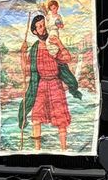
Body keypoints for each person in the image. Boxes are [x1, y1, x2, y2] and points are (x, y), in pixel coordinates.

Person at [18, 13, 80, 151]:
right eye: (39, 27)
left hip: (55, 84)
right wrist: (22, 53)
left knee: (61, 119)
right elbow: (26, 69)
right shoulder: (34, 49)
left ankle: (64, 150)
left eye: (43, 25)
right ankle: (37, 150)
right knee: (36, 117)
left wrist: (59, 43)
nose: (43, 29)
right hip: (41, 85)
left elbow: (67, 58)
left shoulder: (52, 44)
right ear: (34, 31)